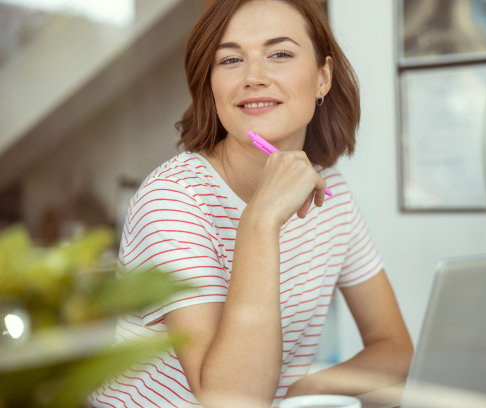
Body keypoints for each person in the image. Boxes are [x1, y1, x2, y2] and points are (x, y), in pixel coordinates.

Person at [89, 0, 413, 407]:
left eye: (279, 54)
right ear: (210, 83)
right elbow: (229, 401)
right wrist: (260, 221)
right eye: (230, 60)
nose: (253, 77)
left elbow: (395, 347)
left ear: (322, 77)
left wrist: (311, 388)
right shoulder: (173, 199)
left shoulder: (331, 193)